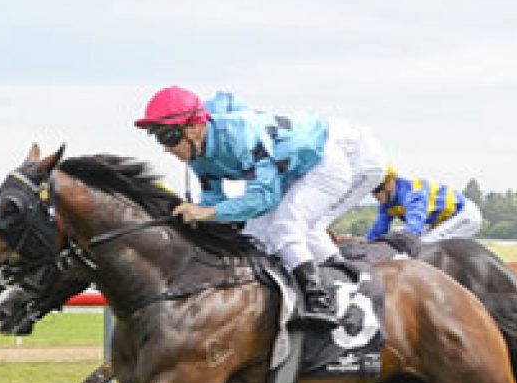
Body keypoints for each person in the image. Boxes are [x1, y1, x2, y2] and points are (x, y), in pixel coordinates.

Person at [134, 86, 387, 326]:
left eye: (169, 137)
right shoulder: (197, 155)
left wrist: (206, 213)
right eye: (159, 139)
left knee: (286, 228)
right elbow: (213, 201)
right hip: (291, 173)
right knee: (254, 238)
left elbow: (264, 197)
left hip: (325, 165)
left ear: (196, 127)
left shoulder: (240, 134)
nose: (166, 148)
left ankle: (320, 302)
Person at [365, 168, 482, 247]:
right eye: (371, 190)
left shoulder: (412, 193)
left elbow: (413, 231)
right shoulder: (387, 202)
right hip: (442, 220)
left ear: (389, 183)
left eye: (376, 189)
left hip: (463, 216)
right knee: (396, 234)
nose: (374, 195)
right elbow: (378, 232)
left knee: (423, 246)